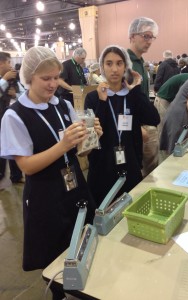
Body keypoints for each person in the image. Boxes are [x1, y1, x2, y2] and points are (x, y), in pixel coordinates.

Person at [0, 46, 102, 299]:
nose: (53, 84)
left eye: (56, 77)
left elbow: (79, 153)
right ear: (29, 78)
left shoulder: (62, 105)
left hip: (74, 184)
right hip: (45, 195)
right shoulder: (15, 115)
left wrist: (89, 138)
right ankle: (58, 293)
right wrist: (63, 144)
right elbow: (26, 166)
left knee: (81, 240)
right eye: (46, 78)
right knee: (53, 254)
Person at [84, 45, 160, 206]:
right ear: (102, 66)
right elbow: (95, 134)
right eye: (109, 63)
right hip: (102, 166)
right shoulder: (93, 97)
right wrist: (103, 102)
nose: (114, 69)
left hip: (130, 163)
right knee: (102, 213)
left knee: (130, 209)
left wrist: (136, 91)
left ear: (126, 66)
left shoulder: (132, 95)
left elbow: (154, 119)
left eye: (119, 63)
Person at [127, 16, 160, 177]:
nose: (149, 41)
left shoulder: (140, 61)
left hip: (146, 122)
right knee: (141, 168)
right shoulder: (126, 62)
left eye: (151, 37)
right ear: (132, 36)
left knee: (151, 167)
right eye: (145, 36)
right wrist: (137, 127)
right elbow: (122, 99)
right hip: (136, 126)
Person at [0, 52, 25, 184]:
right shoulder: (5, 79)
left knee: (14, 146)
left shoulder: (14, 80)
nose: (10, 66)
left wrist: (15, 95)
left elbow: (24, 95)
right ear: (1, 63)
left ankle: (16, 176)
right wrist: (4, 80)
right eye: (8, 62)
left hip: (12, 117)